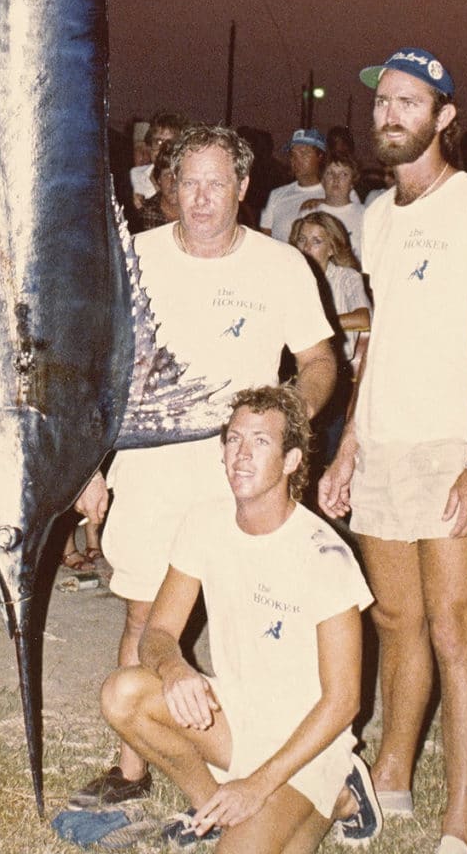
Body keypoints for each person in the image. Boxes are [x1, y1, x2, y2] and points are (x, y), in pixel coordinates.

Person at [69, 124, 337, 809]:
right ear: (168, 187)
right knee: (143, 617)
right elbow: (95, 366)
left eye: (217, 183)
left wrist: (283, 426)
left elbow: (318, 361)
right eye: (188, 182)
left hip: (243, 473)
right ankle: (130, 768)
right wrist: (87, 465)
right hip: (152, 467)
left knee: (267, 620)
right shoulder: (134, 256)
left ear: (244, 189)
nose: (202, 198)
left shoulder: (282, 266)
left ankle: (294, 764)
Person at [319, 47, 467, 854]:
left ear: (444, 117)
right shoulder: (376, 215)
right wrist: (347, 452)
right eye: (384, 102)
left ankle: (461, 823)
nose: (391, 114)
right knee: (396, 618)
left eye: (411, 103)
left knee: (453, 627)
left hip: (450, 446)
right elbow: (382, 340)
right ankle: (395, 776)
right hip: (384, 443)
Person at [100, 386, 379, 852]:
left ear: (292, 460)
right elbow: (159, 633)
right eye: (233, 440)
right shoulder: (204, 523)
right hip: (238, 718)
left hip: (308, 744)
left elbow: (343, 702)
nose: (242, 455)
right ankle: (212, 807)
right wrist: (174, 670)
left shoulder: (325, 555)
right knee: (123, 692)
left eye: (261, 442)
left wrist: (259, 785)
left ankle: (343, 793)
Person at [290, 212, 371, 463]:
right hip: (294, 370)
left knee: (326, 451)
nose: (306, 247)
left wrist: (320, 324)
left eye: (316, 241)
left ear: (332, 248)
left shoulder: (347, 278)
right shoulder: (290, 275)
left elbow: (364, 318)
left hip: (337, 371)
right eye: (302, 240)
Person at [260, 128, 327, 242]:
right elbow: (265, 237)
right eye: (293, 154)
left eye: (304, 153)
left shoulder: (335, 195)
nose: (296, 160)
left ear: (320, 156)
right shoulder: (277, 195)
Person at [128, 112, 188, 211]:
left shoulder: (187, 179)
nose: (163, 149)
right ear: (150, 145)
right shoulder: (134, 176)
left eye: (170, 143)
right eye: (158, 142)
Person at [133, 139, 179, 232]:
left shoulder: (197, 212)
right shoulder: (145, 214)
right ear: (159, 180)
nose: (173, 181)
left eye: (178, 174)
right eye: (167, 175)